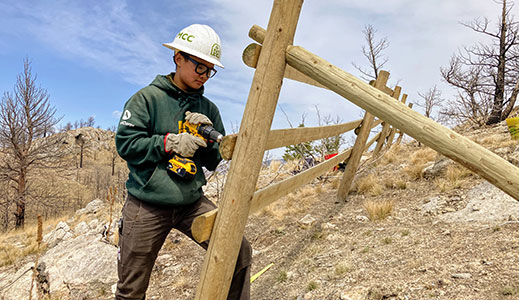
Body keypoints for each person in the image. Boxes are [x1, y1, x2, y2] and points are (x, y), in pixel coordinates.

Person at [114, 24, 252, 300]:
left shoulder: (209, 109)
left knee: (238, 252)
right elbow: (126, 144)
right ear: (178, 57)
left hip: (190, 202)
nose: (204, 75)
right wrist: (169, 142)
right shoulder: (147, 99)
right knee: (131, 288)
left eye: (209, 70)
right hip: (147, 203)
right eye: (199, 66)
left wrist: (215, 140)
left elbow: (213, 161)